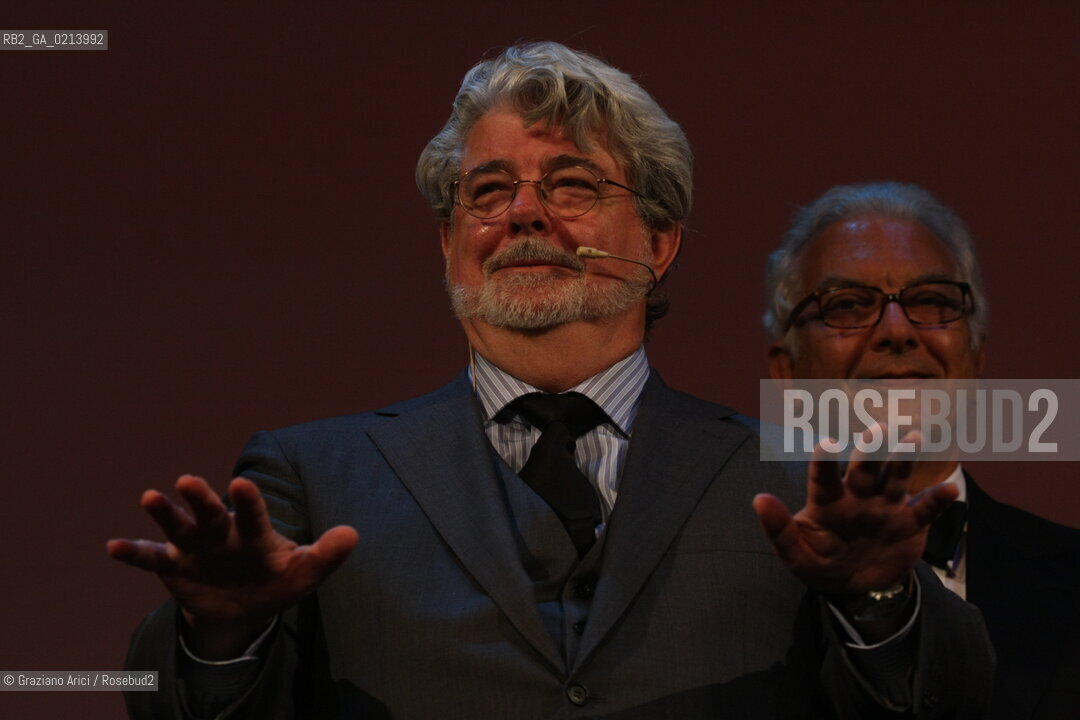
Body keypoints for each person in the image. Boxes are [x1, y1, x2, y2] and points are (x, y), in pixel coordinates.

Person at [109, 45, 993, 719]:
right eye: (486, 192)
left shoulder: (796, 470)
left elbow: (954, 700)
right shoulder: (310, 474)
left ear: (658, 241)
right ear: (449, 242)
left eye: (570, 184)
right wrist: (223, 634)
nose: (523, 213)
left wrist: (879, 600)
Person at [764, 181, 1080, 720]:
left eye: (931, 302)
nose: (897, 330)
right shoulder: (710, 583)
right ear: (788, 373)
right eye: (846, 305)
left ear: (976, 357)